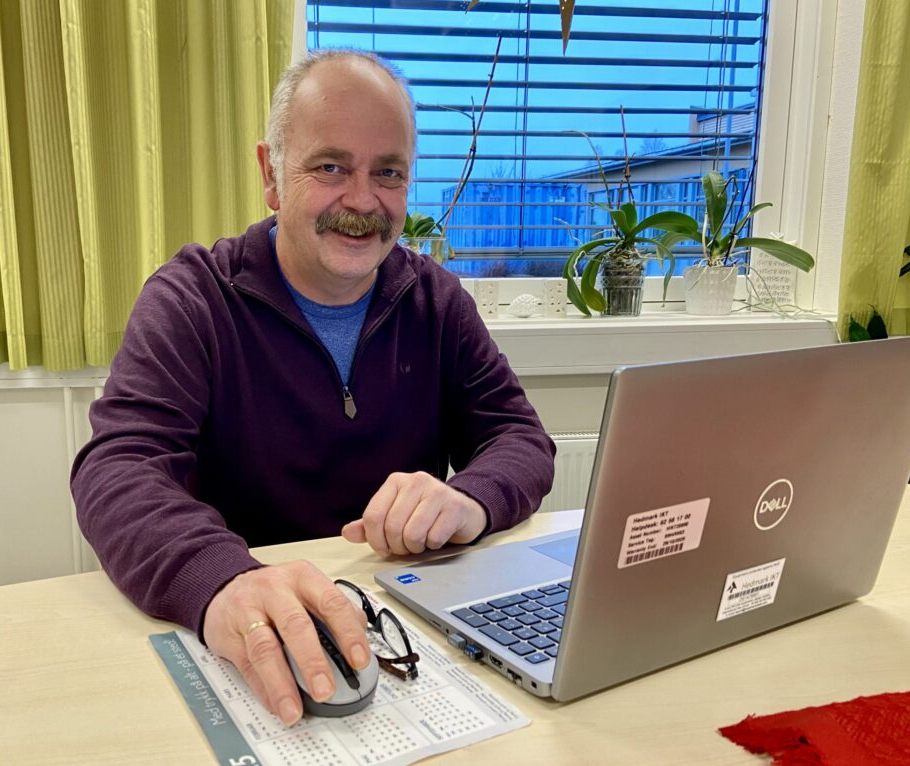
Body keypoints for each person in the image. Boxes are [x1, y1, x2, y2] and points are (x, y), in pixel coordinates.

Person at [70, 49, 555, 726]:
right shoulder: (192, 299)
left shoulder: (436, 301)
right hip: (247, 635)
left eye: (388, 173)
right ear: (271, 175)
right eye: (330, 167)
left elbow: (519, 437)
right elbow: (118, 468)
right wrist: (221, 581)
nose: (361, 201)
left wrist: (472, 499)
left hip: (406, 637)